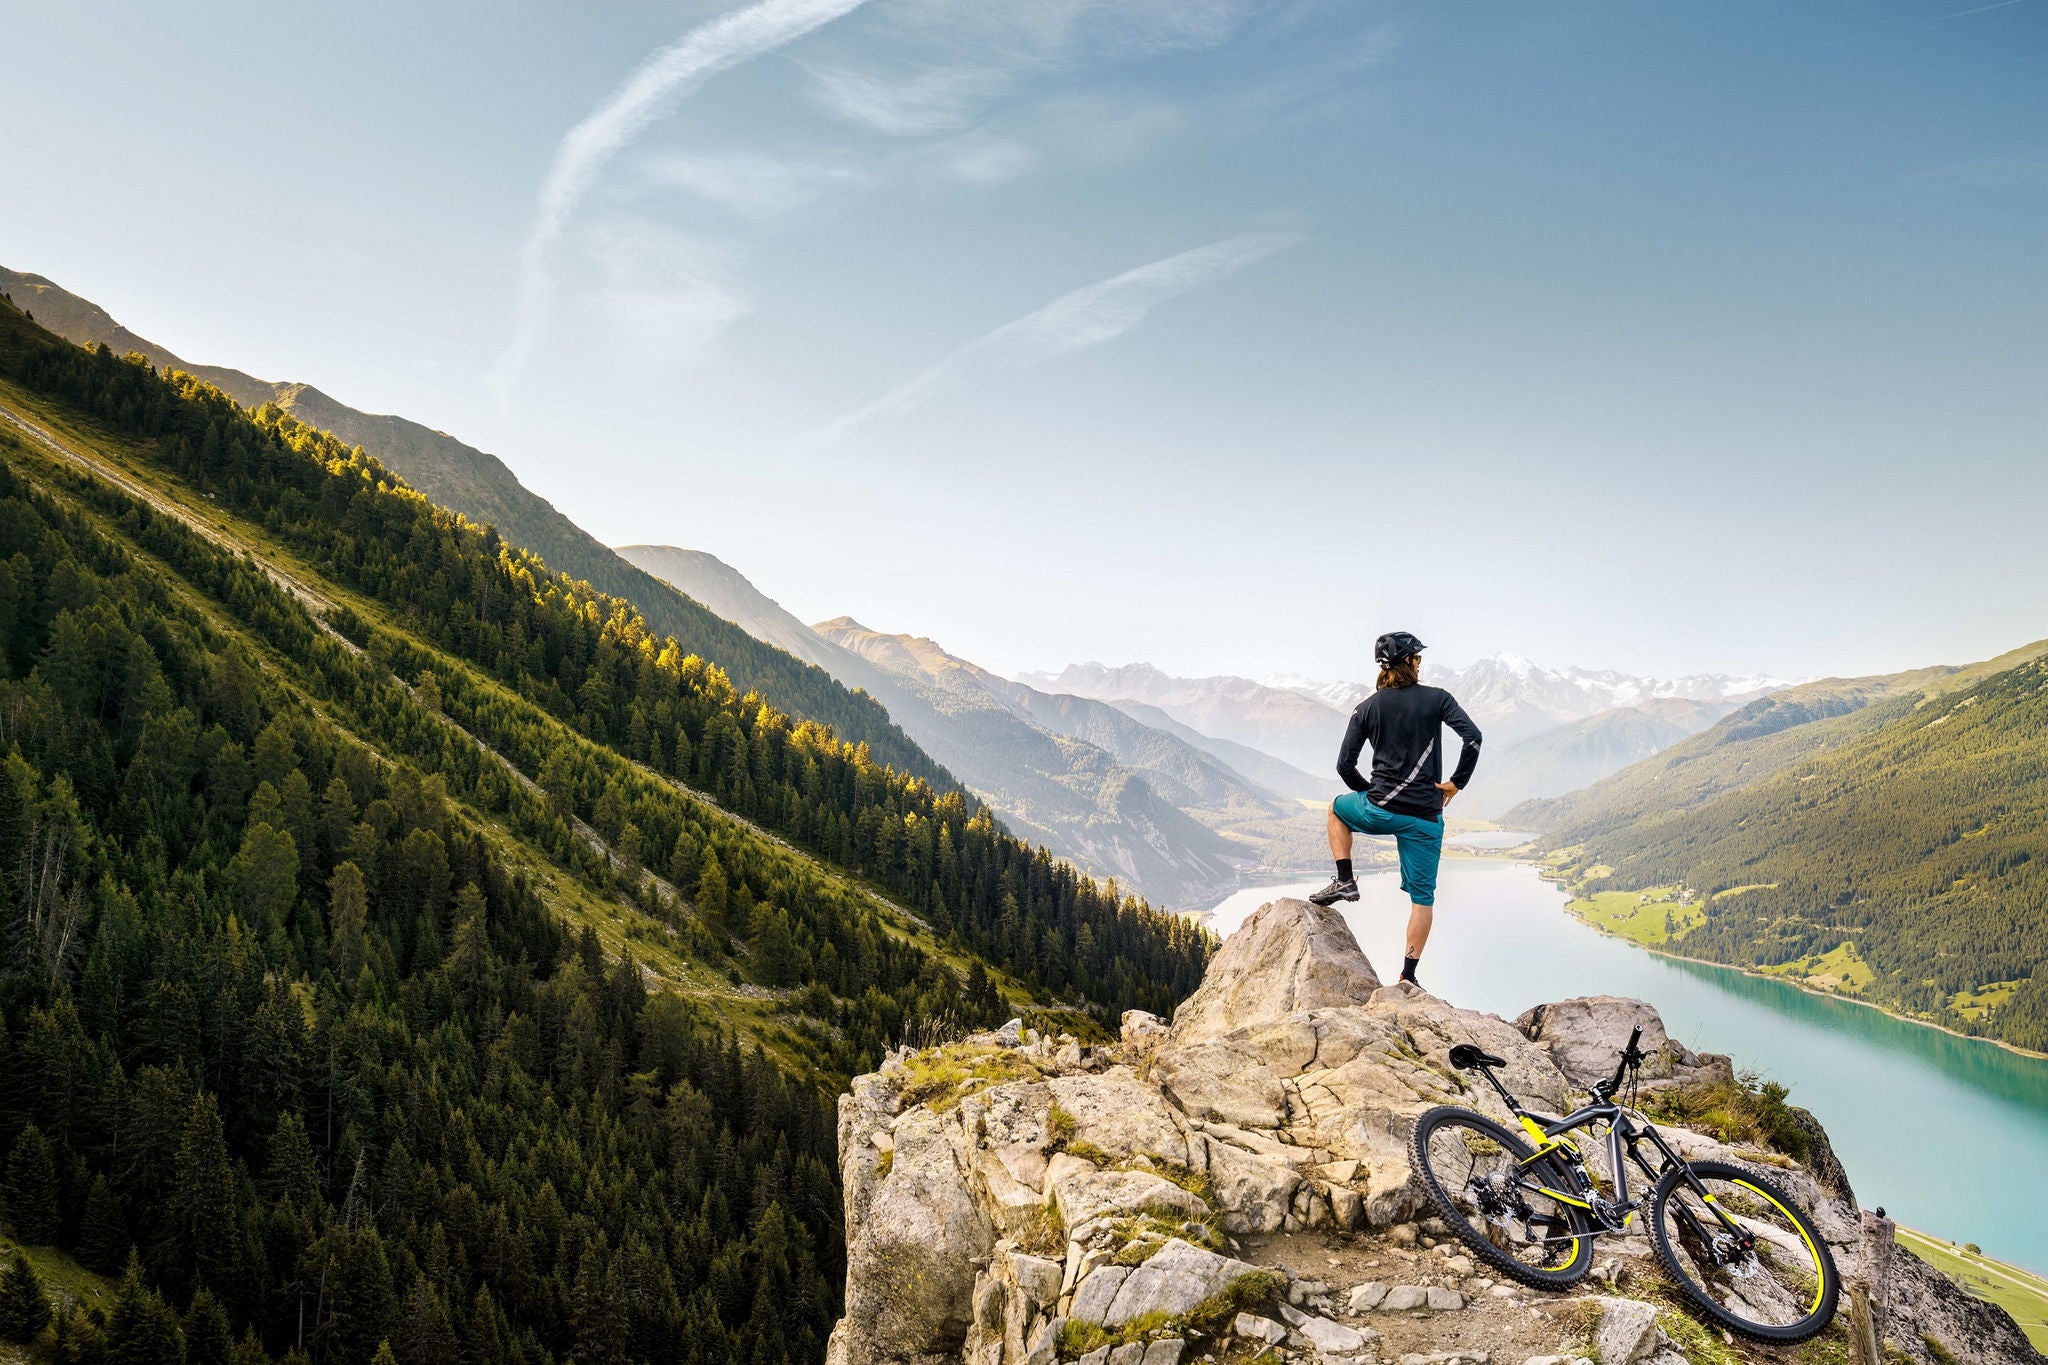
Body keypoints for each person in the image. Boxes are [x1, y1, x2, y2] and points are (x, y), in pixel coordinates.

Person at [1308, 631, 1482, 990]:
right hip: (1425, 817)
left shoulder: (1366, 708)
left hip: (1379, 808)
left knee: (1336, 811)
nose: (1420, 663)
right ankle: (1408, 975)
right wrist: (1455, 783)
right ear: (1407, 662)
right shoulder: (1438, 699)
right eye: (1417, 658)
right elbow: (1473, 738)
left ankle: (1345, 880)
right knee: (1422, 900)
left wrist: (1373, 794)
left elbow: (1344, 766)